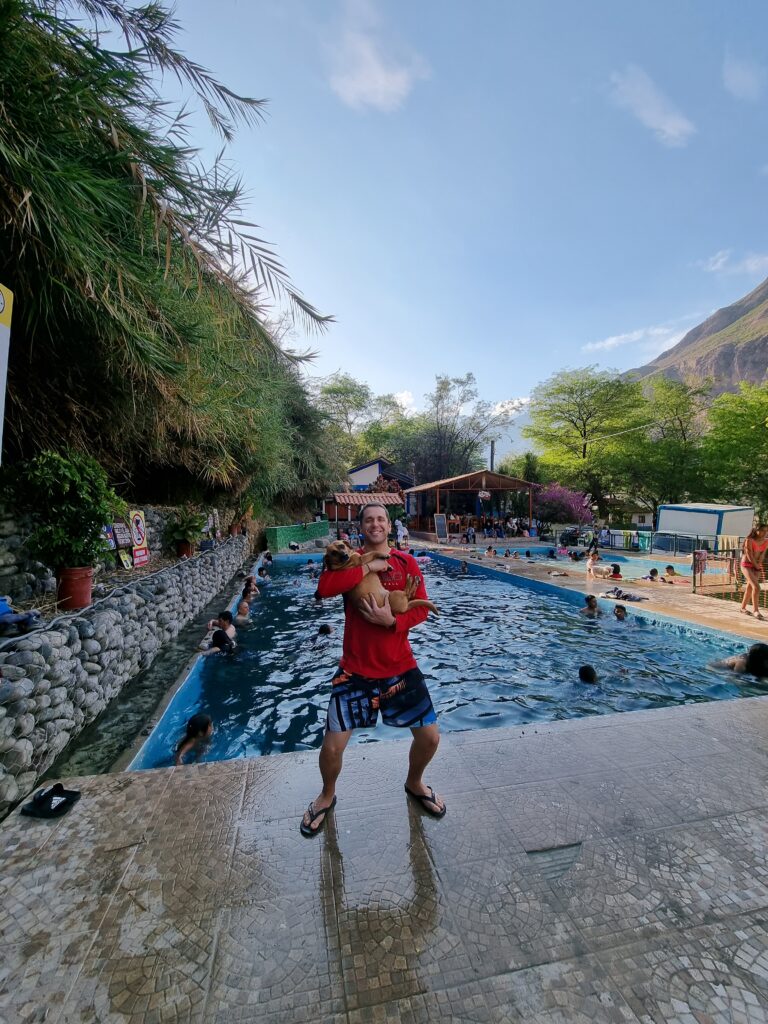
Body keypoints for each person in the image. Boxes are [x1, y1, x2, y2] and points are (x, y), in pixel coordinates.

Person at [301, 502, 445, 836]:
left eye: (381, 519)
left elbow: (420, 611)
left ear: (389, 525)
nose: (375, 524)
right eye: (369, 520)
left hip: (400, 666)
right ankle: (326, 794)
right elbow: (323, 589)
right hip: (355, 669)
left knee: (430, 738)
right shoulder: (347, 564)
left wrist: (392, 621)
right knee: (332, 746)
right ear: (361, 528)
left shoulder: (406, 562)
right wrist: (368, 568)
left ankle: (414, 782)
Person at [740, 525, 768, 619]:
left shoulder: (766, 541)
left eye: (766, 531)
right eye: (762, 531)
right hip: (746, 565)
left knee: (750, 587)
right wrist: (756, 566)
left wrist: (758, 565)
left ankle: (743, 608)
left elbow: (762, 555)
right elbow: (749, 555)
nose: (765, 533)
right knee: (756, 587)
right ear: (756, 531)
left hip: (756, 566)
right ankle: (756, 611)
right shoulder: (749, 540)